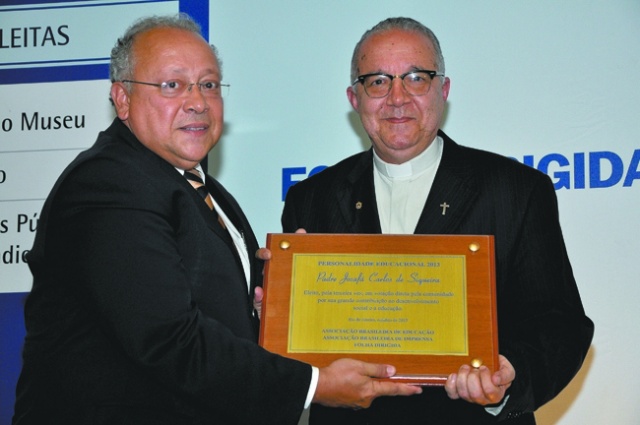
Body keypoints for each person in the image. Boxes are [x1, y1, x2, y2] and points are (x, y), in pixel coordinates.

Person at [11, 14, 422, 425]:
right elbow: (168, 339)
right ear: (122, 99)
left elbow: (213, 310)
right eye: (172, 85)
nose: (197, 102)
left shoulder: (202, 189)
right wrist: (315, 384)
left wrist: (276, 303)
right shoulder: (110, 182)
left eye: (208, 85)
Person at [282, 17, 594, 424]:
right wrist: (277, 309)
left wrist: (507, 373)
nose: (397, 98)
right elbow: (299, 345)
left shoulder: (516, 190)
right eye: (377, 81)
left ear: (443, 90)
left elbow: (559, 324)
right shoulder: (311, 199)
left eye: (416, 78)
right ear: (354, 98)